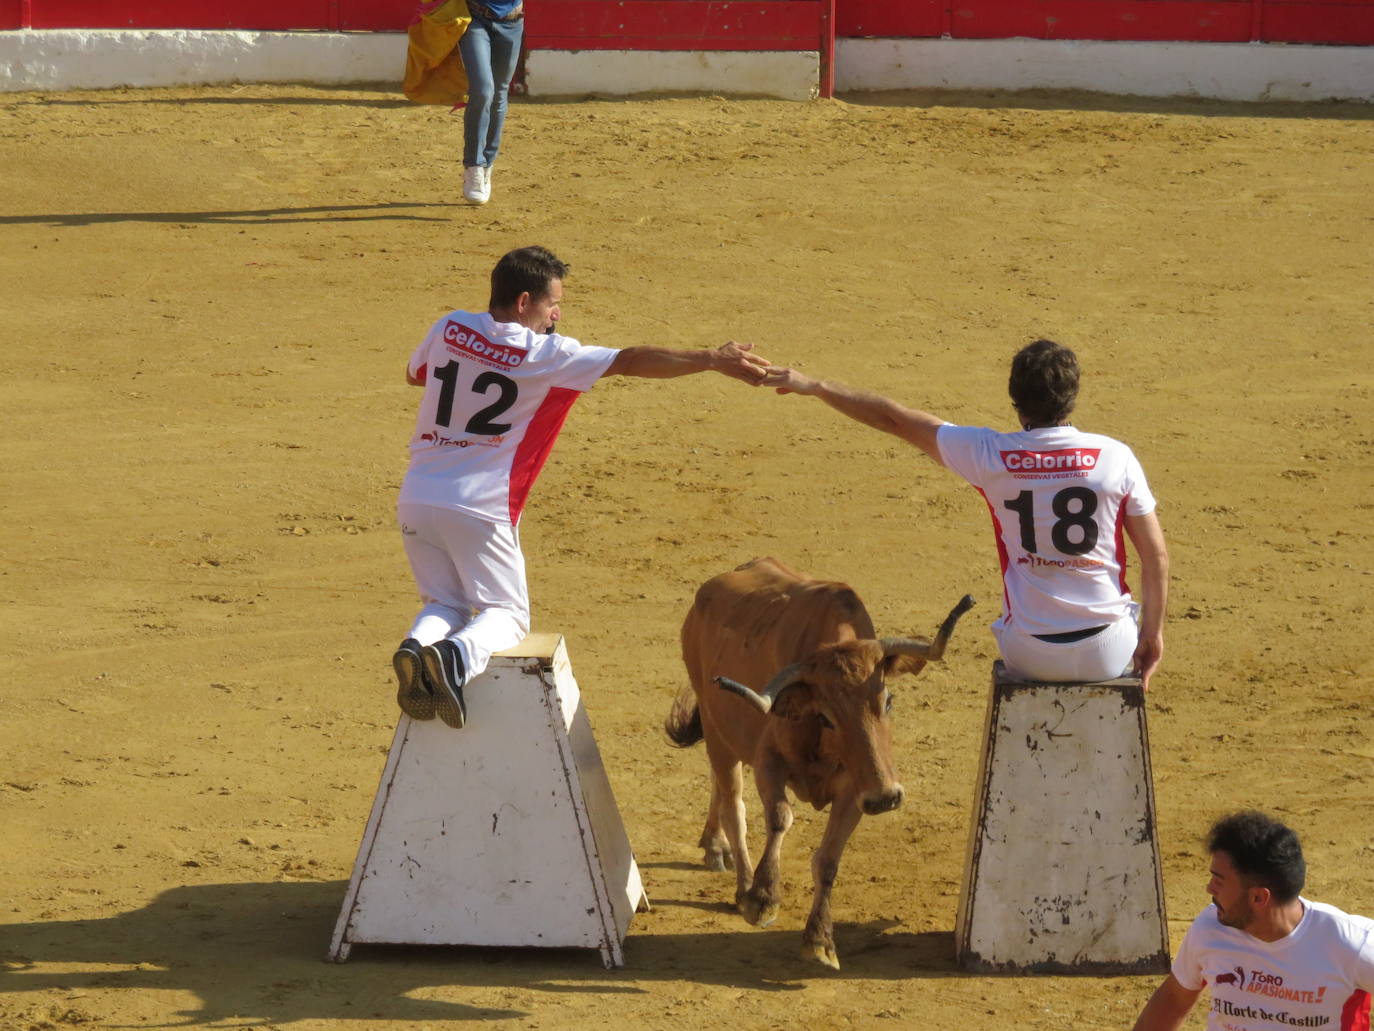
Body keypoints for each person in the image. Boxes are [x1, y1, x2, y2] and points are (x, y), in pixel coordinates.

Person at [393, 245, 770, 728]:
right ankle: (453, 659)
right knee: (505, 614)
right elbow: (631, 360)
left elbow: (414, 375)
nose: (558, 314)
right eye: (553, 304)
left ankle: (417, 647)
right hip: (481, 506)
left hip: (418, 496)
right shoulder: (547, 354)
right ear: (525, 300)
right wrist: (712, 359)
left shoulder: (449, 326)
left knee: (445, 602)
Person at [761, 339, 1169, 688]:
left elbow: (893, 418)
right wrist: (1151, 635)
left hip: (1030, 652)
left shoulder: (989, 454)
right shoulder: (1116, 457)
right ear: (1072, 396)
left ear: (1016, 402)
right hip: (1109, 652)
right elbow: (1156, 559)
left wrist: (813, 386)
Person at [1132, 810, 1374, 1030]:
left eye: (1219, 880)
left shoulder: (1349, 944)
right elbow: (1174, 999)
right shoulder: (1211, 927)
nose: (1209, 889)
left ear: (1259, 897)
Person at [458, 0, 524, 204]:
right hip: (475, 18)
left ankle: (487, 164)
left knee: (498, 94)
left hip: (512, 21)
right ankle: (474, 166)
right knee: (484, 90)